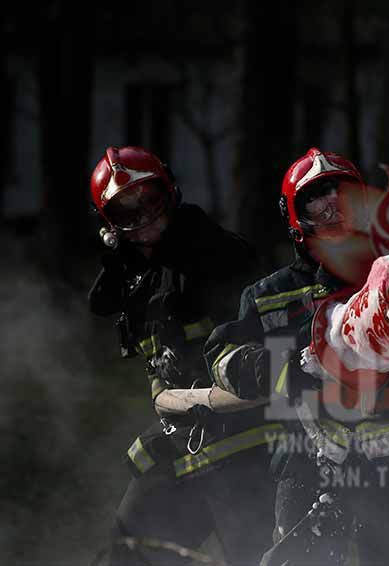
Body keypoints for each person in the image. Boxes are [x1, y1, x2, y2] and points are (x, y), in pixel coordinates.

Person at [204, 148, 389, 566]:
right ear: (296, 218)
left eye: (343, 199)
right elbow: (220, 353)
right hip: (305, 465)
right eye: (317, 205)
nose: (333, 212)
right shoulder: (268, 296)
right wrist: (277, 369)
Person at [88, 146, 278, 565]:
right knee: (129, 551)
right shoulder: (138, 276)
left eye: (149, 201)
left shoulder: (218, 256)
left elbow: (262, 361)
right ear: (110, 225)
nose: (144, 218)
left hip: (247, 448)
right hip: (185, 445)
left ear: (170, 191)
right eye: (126, 212)